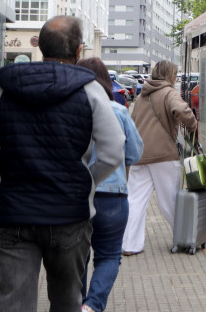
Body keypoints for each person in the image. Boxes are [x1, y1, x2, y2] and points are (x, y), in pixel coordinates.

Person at [0, 16, 125, 312]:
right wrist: (85, 185)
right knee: (67, 304)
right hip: (70, 217)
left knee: (15, 307)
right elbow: (114, 152)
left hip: (13, 216)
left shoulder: (4, 87)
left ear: (40, 47)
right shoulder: (89, 91)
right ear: (78, 52)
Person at [77, 58, 144, 312]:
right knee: (108, 256)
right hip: (113, 196)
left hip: (79, 194)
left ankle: (75, 303)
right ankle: (92, 306)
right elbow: (135, 153)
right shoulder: (119, 111)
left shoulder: (71, 109)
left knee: (77, 256)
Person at [121, 60, 197, 256]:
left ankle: (130, 245)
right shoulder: (169, 92)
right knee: (170, 201)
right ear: (169, 75)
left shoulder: (141, 96)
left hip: (140, 155)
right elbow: (180, 110)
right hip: (164, 155)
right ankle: (184, 238)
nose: (175, 77)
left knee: (135, 199)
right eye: (174, 73)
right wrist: (192, 124)